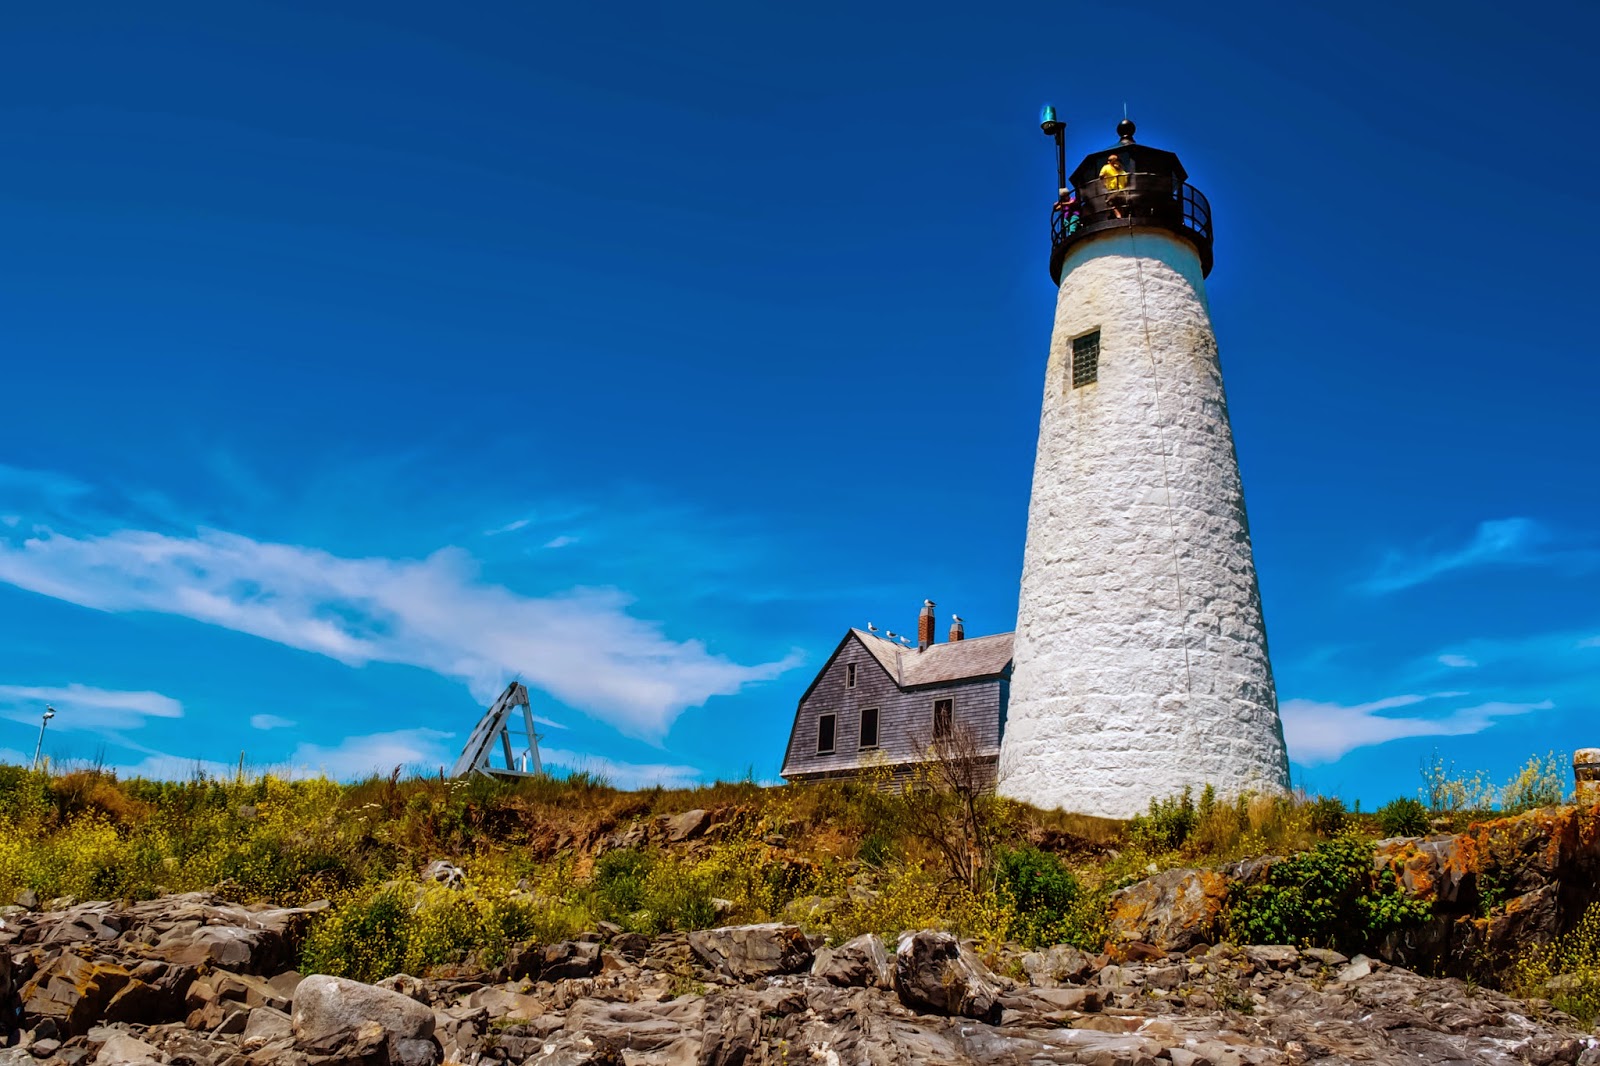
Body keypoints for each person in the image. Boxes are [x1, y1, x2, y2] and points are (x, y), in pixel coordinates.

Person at [1099, 153, 1128, 218]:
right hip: (1120, 191)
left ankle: (1119, 216)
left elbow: (1101, 176)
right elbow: (1126, 183)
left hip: (1113, 190)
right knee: (1118, 204)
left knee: (1111, 202)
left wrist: (1104, 183)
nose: (1118, 164)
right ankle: (1121, 216)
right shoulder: (1123, 172)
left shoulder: (1106, 167)